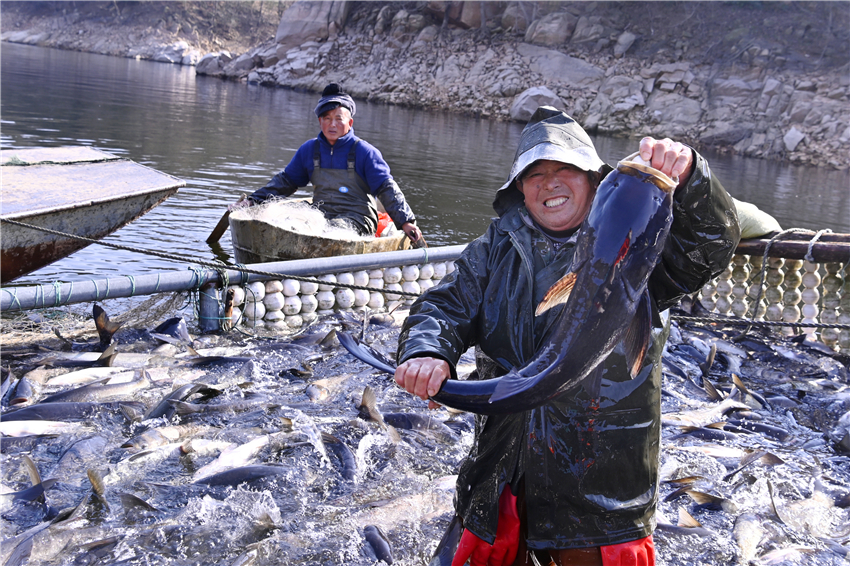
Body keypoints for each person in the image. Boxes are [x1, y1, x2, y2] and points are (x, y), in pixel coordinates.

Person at [394, 107, 741, 566]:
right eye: (535, 174)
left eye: (565, 170)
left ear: (595, 181)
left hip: (600, 497)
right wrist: (427, 350)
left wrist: (694, 175)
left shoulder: (648, 255)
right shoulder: (495, 247)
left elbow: (712, 240)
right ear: (519, 188)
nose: (550, 183)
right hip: (502, 475)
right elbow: (442, 306)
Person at [239, 83, 424, 245]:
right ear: (320, 121)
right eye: (326, 118)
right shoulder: (309, 150)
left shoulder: (365, 152)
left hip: (357, 218)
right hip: (321, 213)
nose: (332, 125)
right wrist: (253, 201)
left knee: (332, 230)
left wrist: (406, 221)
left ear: (350, 122)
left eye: (338, 118)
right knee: (285, 221)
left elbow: (387, 189)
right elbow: (286, 182)